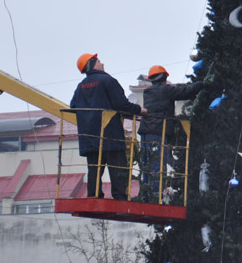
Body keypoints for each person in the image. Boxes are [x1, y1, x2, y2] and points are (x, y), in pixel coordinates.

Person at [70, 53, 146, 200]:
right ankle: (120, 197)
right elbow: (121, 104)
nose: (102, 63)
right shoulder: (107, 80)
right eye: (99, 61)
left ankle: (94, 195)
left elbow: (73, 106)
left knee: (94, 168)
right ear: (92, 64)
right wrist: (140, 111)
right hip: (110, 133)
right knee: (118, 167)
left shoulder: (81, 86)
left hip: (89, 136)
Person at [137, 65, 202, 202]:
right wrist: (200, 84)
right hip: (158, 131)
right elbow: (185, 92)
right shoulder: (165, 90)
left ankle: (146, 194)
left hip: (145, 132)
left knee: (146, 163)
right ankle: (155, 194)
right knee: (158, 164)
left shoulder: (148, 92)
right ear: (163, 77)